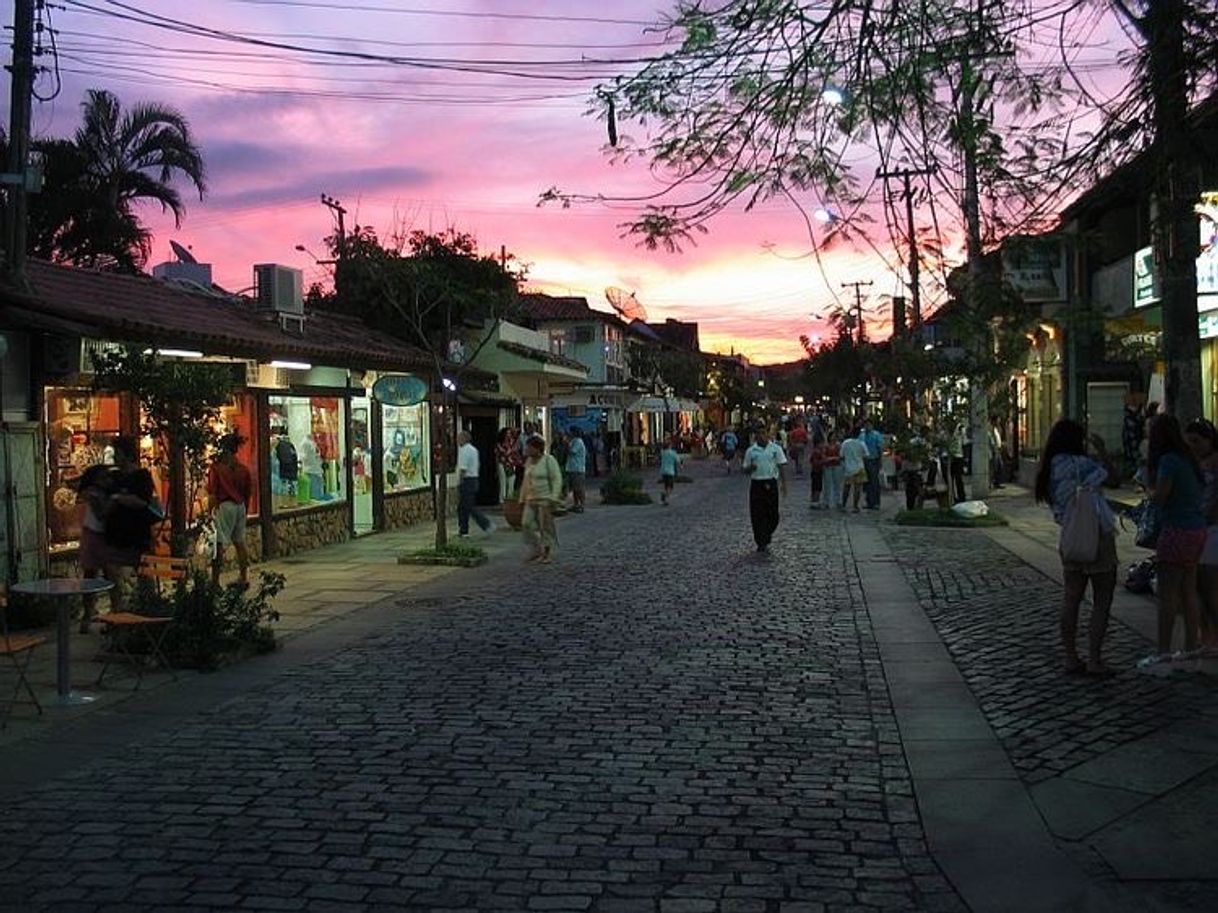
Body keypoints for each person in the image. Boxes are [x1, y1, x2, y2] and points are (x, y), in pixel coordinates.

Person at [1033, 419, 1117, 676]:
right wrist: (1102, 450)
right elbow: (1114, 479)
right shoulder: (1084, 465)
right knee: (1102, 600)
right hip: (1097, 537)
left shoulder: (1050, 469)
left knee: (1071, 598)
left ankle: (1070, 656)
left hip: (1070, 537)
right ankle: (1094, 659)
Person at [1142, 414, 1207, 667]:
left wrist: (1149, 490)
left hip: (1176, 529)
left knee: (1168, 594)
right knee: (1189, 591)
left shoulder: (1168, 461)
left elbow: (1161, 496)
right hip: (1196, 529)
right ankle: (1192, 645)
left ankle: (1163, 650)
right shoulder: (1188, 459)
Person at [100, 436, 163, 612]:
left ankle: (149, 608)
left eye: (117, 454)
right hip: (115, 534)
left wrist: (120, 498)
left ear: (126, 455)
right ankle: (117, 611)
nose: (114, 458)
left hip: (137, 534)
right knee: (111, 572)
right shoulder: (114, 477)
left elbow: (143, 501)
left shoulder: (141, 476)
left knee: (144, 573)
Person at [1185, 418, 1218, 653]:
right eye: (1190, 442)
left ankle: (1212, 636)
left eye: (1197, 441)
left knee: (1209, 586)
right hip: (1195, 526)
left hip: (1212, 527)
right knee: (1197, 586)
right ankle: (1205, 634)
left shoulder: (1214, 464)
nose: (1194, 446)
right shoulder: (1191, 463)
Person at [76, 458, 117, 631]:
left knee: (98, 576)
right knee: (97, 577)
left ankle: (105, 614)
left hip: (99, 534)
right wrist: (114, 501)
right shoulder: (93, 493)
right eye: (104, 477)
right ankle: (92, 614)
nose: (107, 480)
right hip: (95, 535)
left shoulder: (100, 492)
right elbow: (101, 514)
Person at [207, 431, 252, 586]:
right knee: (239, 542)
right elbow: (248, 492)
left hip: (225, 505)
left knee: (218, 543)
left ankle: (215, 580)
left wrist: (209, 513)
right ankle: (244, 576)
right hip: (240, 506)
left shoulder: (217, 468)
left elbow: (213, 493)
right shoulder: (243, 469)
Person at [741, 427, 787, 551]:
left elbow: (781, 466)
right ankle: (761, 541)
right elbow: (744, 469)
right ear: (756, 436)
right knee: (757, 514)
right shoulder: (751, 451)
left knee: (773, 514)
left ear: (768, 434)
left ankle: (767, 533)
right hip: (757, 483)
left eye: (764, 433)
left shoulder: (775, 449)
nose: (762, 436)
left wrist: (784, 484)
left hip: (770, 483)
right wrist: (751, 468)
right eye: (759, 434)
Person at [520, 434, 563, 563]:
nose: (526, 450)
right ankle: (536, 548)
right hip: (531, 498)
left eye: (529, 448)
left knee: (546, 527)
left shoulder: (548, 460)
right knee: (526, 524)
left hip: (545, 499)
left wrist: (554, 496)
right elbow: (526, 481)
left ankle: (547, 553)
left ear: (537, 448)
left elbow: (556, 479)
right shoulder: (528, 462)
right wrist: (522, 497)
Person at [456, 430, 495, 538]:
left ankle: (486, 524)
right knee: (462, 507)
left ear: (464, 439)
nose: (457, 440)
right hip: (474, 479)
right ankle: (463, 530)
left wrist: (459, 482)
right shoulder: (474, 450)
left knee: (468, 506)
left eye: (459, 438)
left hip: (467, 480)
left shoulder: (464, 450)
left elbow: (463, 469)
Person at [840, 428, 869, 513]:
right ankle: (855, 506)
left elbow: (841, 455)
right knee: (857, 488)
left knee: (846, 487)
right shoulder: (861, 444)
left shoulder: (845, 443)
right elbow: (867, 455)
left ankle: (843, 504)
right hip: (859, 468)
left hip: (848, 468)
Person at [860, 419, 884, 509]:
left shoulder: (876, 435)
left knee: (874, 481)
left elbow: (880, 448)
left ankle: (876, 502)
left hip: (874, 460)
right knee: (866, 482)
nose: (867, 427)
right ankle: (869, 501)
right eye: (866, 425)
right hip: (864, 460)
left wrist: (880, 461)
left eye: (869, 425)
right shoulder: (862, 435)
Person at [819, 429, 844, 511]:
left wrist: (831, 458)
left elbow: (841, 456)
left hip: (837, 466)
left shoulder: (838, 445)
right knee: (827, 485)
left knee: (837, 484)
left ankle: (838, 501)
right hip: (828, 467)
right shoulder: (825, 446)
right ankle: (826, 501)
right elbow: (823, 457)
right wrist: (833, 458)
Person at [565, 427, 588, 513]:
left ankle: (581, 505)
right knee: (575, 488)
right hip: (572, 467)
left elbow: (572, 451)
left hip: (578, 468)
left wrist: (566, 443)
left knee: (579, 488)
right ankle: (576, 504)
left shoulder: (578, 441)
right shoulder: (573, 441)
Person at [659, 437, 681, 506]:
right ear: (670, 446)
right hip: (670, 471)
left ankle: (664, 500)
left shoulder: (663, 453)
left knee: (666, 486)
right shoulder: (673, 453)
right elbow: (678, 461)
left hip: (663, 471)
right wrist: (681, 466)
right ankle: (664, 495)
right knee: (671, 487)